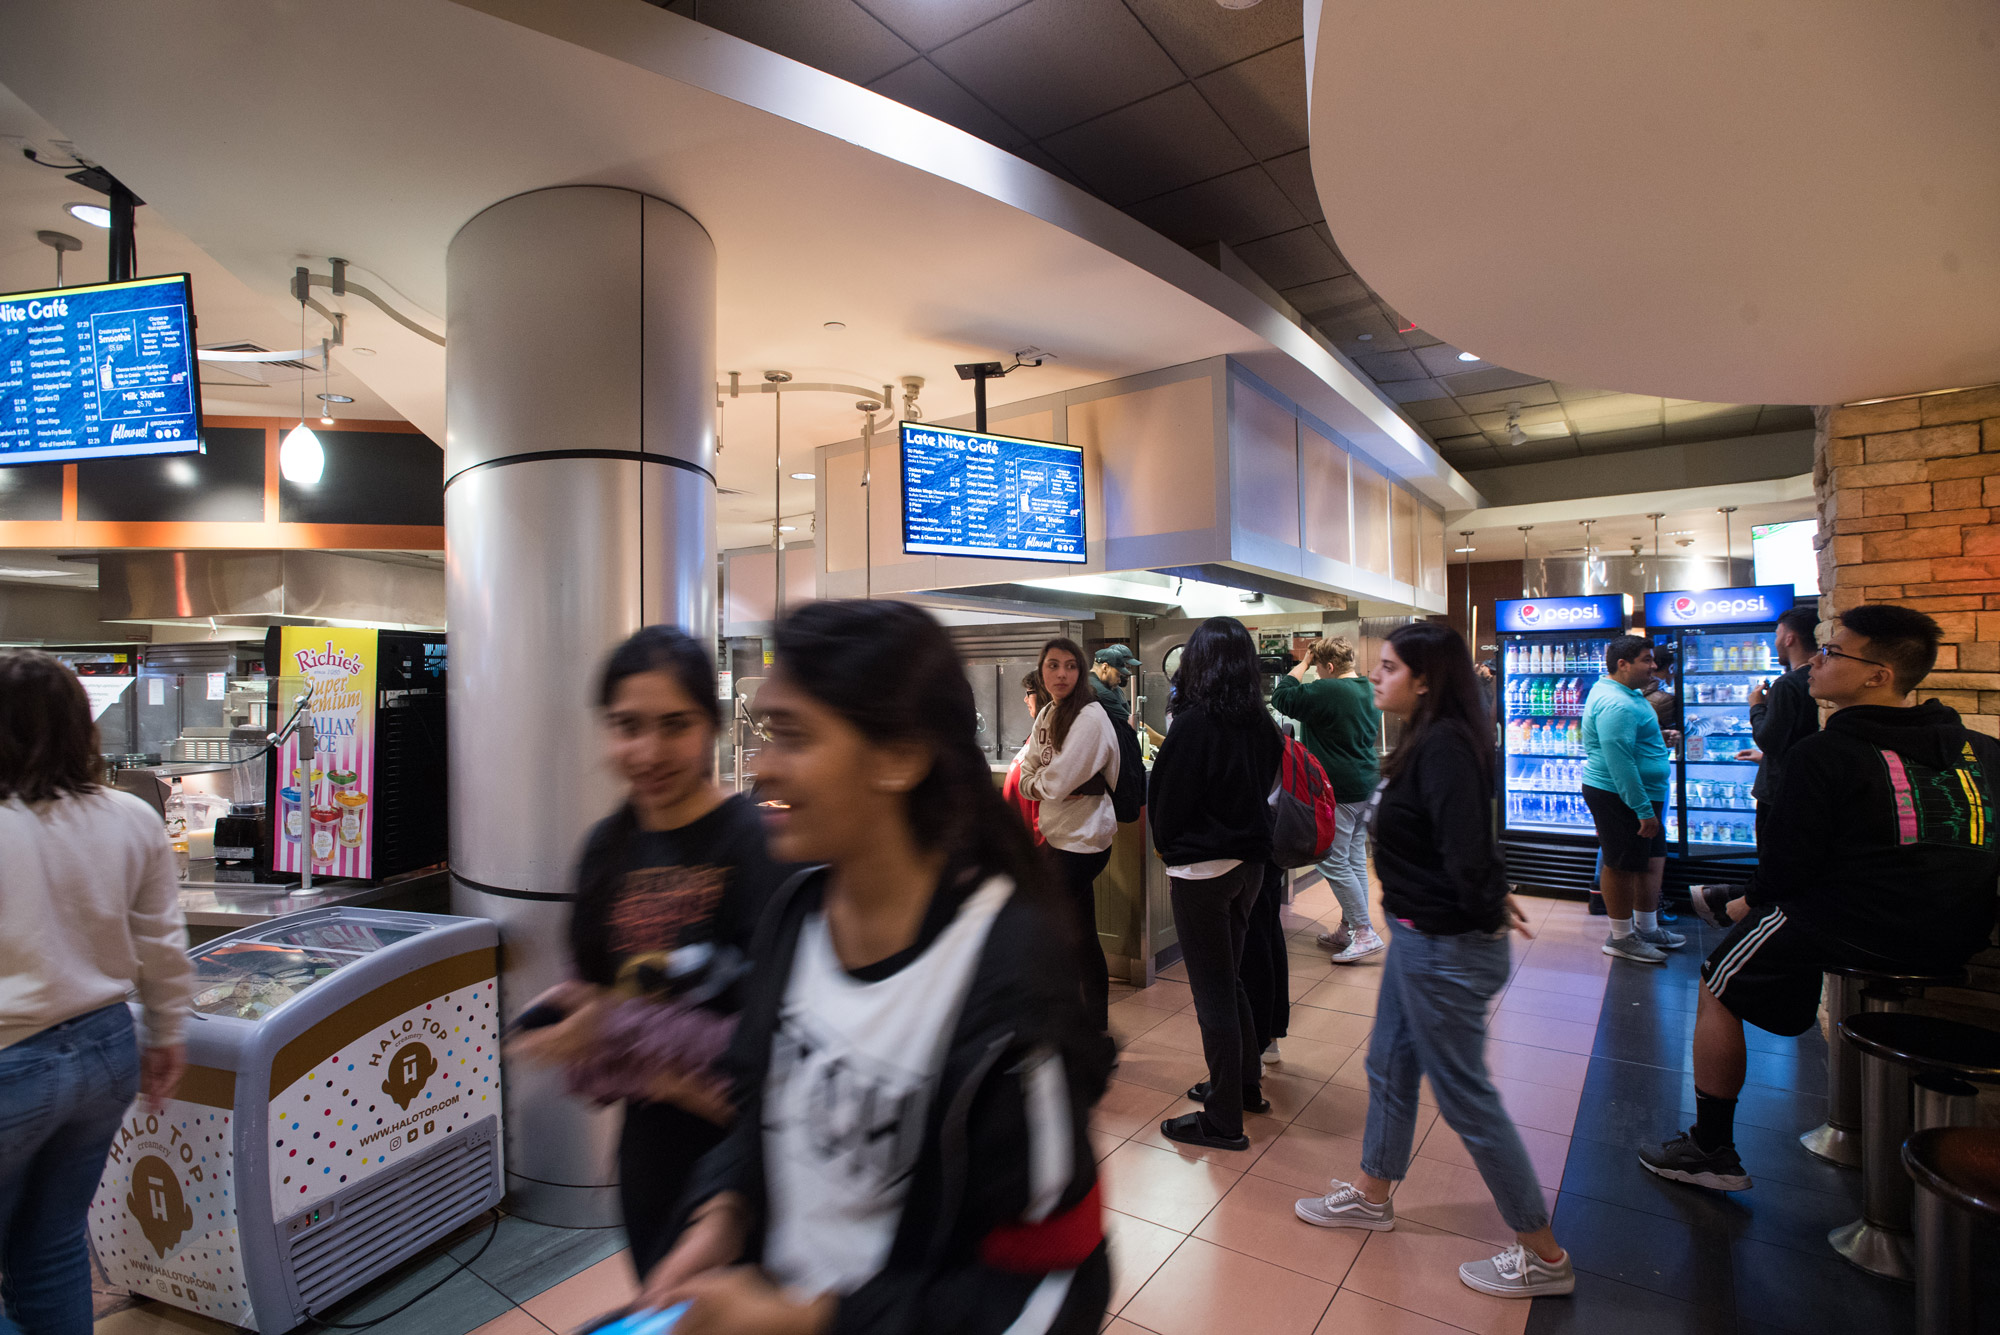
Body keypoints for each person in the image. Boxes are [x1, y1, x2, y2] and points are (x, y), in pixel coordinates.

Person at [637, 600, 1111, 1333]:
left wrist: (817, 1321)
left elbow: (1055, 1286)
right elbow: (764, 1116)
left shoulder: (1005, 975)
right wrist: (723, 1214)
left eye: (793, 736)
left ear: (899, 755)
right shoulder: (795, 915)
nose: (761, 768)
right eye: (766, 734)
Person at [1641, 604, 2000, 1191]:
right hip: (1961, 933)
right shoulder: (1980, 750)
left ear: (1877, 675)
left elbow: (1790, 868)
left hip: (1857, 923)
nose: (1816, 661)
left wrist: (1748, 901)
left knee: (1716, 979)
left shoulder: (1826, 753)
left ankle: (1710, 1149)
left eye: (1833, 653)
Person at [1292, 623, 1575, 1300]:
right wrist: (1482, 894)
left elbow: (1467, 849)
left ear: (1424, 678)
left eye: (1388, 667)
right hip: (1420, 939)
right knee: (1388, 1062)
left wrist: (1482, 903)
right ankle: (1372, 1191)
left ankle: (1543, 1253)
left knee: (1465, 1096)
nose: (1376, 676)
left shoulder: (1443, 744)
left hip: (1444, 948)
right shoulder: (1428, 735)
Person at [508, 626, 790, 1276]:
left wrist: (614, 1028)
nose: (649, 750)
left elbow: (769, 1046)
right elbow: (586, 1064)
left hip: (751, 1168)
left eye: (674, 724)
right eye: (627, 725)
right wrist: (628, 1051)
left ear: (710, 725)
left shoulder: (755, 846)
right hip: (651, 1164)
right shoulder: (605, 850)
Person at [1, 650, 195, 1335]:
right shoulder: (129, 816)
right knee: (52, 1248)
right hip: (107, 1048)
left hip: (11, 1058)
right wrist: (167, 1033)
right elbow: (163, 946)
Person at [1146, 617, 1284, 1150]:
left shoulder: (1194, 722)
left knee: (1213, 995)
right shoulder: (1260, 722)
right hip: (1249, 868)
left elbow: (1168, 803)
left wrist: (1169, 845)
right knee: (1232, 979)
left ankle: (1224, 1119)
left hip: (1201, 873)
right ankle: (1243, 1084)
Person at [1689, 606, 1820, 927]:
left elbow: (1769, 739)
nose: (1775, 641)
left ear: (1789, 637)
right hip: (1797, 785)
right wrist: (1766, 757)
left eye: (1776, 634)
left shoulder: (1789, 684)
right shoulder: (1814, 680)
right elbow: (1798, 741)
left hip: (1777, 791)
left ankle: (1750, 912)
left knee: (1772, 863)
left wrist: (1756, 706)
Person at [1015, 637, 1119, 1034]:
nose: (1061, 674)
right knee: (1080, 936)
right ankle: (1092, 1028)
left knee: (1046, 930)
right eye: (1053, 665)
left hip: (1084, 842)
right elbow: (1032, 772)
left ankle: (1059, 1025)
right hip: (1060, 838)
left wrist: (1043, 781)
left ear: (1082, 671)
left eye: (1070, 666)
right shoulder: (1047, 713)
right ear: (1042, 670)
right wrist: (1043, 782)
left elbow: (1054, 782)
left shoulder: (1089, 717)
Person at [1270, 637, 1384, 963]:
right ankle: (1347, 929)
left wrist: (1303, 664)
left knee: (1331, 861)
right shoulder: (1367, 688)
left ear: (1328, 667)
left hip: (1339, 790)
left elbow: (1281, 697)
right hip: (1365, 785)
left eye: (1318, 668)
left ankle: (1364, 932)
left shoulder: (1328, 689)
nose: (1315, 673)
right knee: (1353, 860)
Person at [1580, 635, 1686, 963]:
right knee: (1621, 864)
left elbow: (1631, 744)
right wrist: (1642, 809)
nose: (1653, 666)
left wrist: (1658, 740)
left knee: (1650, 861)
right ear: (1623, 665)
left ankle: (1647, 927)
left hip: (1642, 792)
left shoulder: (1627, 693)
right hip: (1620, 795)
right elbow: (1619, 761)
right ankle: (1622, 937)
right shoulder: (1618, 703)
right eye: (1646, 660)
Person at [1002, 670, 1051, 843]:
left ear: (1044, 694)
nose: (1025, 699)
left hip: (1038, 847)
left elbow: (1046, 801)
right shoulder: (1037, 734)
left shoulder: (1052, 738)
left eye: (1029, 693)